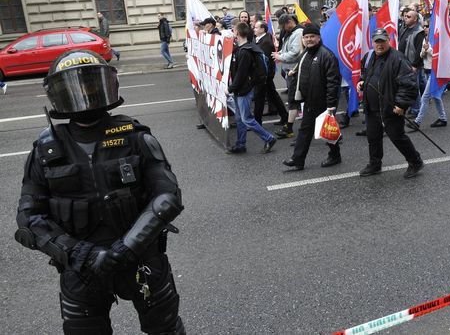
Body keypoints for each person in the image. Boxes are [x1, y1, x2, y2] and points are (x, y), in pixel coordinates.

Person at [15, 49, 185, 334]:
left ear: (108, 85)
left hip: (141, 259)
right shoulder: (45, 150)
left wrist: (127, 247)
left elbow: (167, 196)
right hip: (81, 270)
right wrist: (84, 255)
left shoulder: (135, 136)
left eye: (91, 83)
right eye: (74, 87)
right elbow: (28, 219)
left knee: (166, 330)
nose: (85, 94)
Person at [356, 28, 424, 179]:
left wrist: (401, 105)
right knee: (373, 137)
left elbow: (409, 84)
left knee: (397, 137)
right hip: (372, 107)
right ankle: (375, 164)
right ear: (372, 42)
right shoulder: (368, 56)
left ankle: (415, 161)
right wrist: (362, 81)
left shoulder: (398, 58)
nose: (379, 45)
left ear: (389, 41)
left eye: (382, 41)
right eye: (376, 41)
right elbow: (365, 73)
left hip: (390, 107)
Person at [282, 24, 342, 171]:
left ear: (318, 38)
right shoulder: (306, 53)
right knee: (305, 130)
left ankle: (335, 155)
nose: (308, 40)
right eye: (306, 37)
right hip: (309, 100)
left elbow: (333, 82)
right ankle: (298, 160)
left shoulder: (326, 55)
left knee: (327, 131)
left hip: (323, 102)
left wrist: (331, 105)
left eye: (312, 37)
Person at [226, 22, 277, 154]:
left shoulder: (245, 52)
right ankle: (240, 144)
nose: (232, 32)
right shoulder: (240, 48)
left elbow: (241, 74)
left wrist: (230, 89)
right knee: (239, 118)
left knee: (246, 119)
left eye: (233, 30)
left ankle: (269, 138)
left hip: (244, 90)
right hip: (240, 89)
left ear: (237, 33)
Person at [409, 21, 447, 129]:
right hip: (427, 70)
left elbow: (437, 54)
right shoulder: (425, 39)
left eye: (428, 26)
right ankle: (443, 118)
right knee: (436, 97)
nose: (425, 28)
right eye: (424, 26)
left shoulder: (437, 39)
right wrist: (424, 50)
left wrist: (428, 49)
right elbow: (422, 55)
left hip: (434, 72)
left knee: (425, 97)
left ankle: (417, 122)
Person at [272, 14, 303, 139]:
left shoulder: (298, 32)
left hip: (294, 71)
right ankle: (290, 127)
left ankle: (289, 128)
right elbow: (287, 49)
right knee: (296, 100)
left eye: (284, 25)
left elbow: (295, 53)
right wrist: (279, 53)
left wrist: (280, 57)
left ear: (290, 22)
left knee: (293, 100)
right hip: (291, 71)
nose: (283, 28)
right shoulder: (291, 33)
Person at [254, 20, 288, 125]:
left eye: (256, 27)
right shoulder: (260, 39)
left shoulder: (266, 42)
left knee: (259, 98)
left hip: (264, 75)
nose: (254, 29)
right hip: (264, 75)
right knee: (273, 95)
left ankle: (257, 123)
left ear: (262, 29)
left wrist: (264, 76)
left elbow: (264, 60)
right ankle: (284, 116)